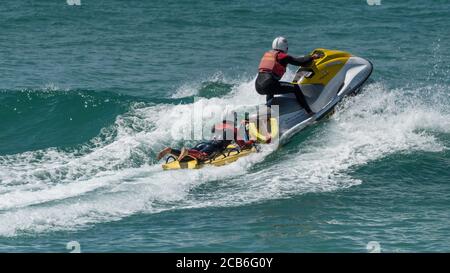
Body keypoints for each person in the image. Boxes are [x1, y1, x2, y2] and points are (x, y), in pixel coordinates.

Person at [255, 37, 323, 115]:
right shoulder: (283, 57)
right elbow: (300, 62)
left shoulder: (268, 55)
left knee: (270, 90)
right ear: (285, 47)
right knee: (296, 88)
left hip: (258, 86)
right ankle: (309, 112)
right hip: (269, 84)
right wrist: (312, 57)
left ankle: (270, 112)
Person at [157, 121, 254, 162]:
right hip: (214, 147)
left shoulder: (217, 125)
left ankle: (170, 150)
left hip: (204, 143)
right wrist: (251, 142)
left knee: (187, 158)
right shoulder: (233, 129)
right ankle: (187, 151)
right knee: (203, 156)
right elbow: (242, 146)